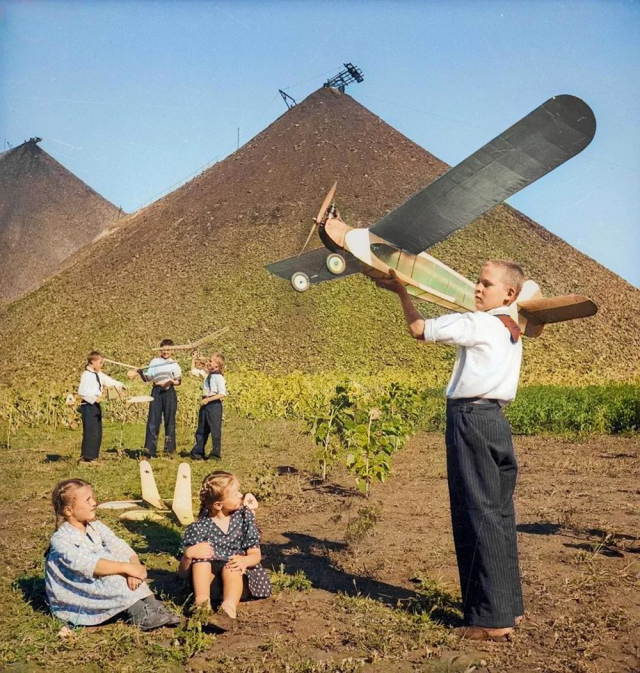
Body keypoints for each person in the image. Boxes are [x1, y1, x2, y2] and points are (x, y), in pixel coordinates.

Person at [372, 260, 525, 641]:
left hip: (471, 420)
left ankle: (490, 619)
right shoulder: (512, 328)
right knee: (499, 514)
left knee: (475, 514)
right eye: (478, 280)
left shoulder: (478, 323)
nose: (477, 288)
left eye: (486, 284)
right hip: (496, 422)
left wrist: (402, 293)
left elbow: (419, 330)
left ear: (508, 294)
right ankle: (508, 608)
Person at [45, 478, 181, 630]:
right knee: (114, 574)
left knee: (118, 561)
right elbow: (87, 565)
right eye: (88, 500)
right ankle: (137, 612)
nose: (94, 503)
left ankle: (151, 603)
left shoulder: (96, 526)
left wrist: (134, 566)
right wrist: (126, 568)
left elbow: (119, 545)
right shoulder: (61, 540)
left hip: (101, 575)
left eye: (93, 498)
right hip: (79, 589)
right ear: (68, 511)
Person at [178, 471, 271, 628]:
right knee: (201, 561)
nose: (241, 495)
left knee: (231, 565)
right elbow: (182, 573)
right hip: (212, 585)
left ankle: (228, 610)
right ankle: (201, 606)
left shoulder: (244, 517)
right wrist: (188, 555)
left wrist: (244, 560)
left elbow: (255, 554)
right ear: (218, 505)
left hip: (240, 581)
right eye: (235, 494)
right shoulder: (199, 528)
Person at [128, 339, 182, 457]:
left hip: (169, 392)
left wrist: (171, 382)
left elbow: (179, 381)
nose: (165, 352)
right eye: (163, 350)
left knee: (170, 421)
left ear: (172, 350)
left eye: (168, 350)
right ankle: (150, 450)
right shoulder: (154, 362)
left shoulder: (174, 363)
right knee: (153, 420)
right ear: (160, 350)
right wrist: (140, 372)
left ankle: (169, 450)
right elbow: (147, 379)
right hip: (156, 391)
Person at [78, 351, 125, 462]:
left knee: (97, 431)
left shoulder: (98, 374)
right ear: (93, 362)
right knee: (91, 431)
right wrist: (95, 398)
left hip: (95, 406)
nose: (101, 365)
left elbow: (109, 381)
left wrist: (121, 386)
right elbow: (82, 391)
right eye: (100, 362)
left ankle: (93, 456)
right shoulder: (86, 375)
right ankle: (87, 458)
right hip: (88, 406)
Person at [189, 352, 226, 461]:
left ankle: (215, 454)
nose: (208, 362)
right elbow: (193, 371)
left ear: (217, 365)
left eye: (211, 361)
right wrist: (194, 359)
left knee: (215, 430)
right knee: (201, 429)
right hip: (205, 403)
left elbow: (222, 394)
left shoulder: (219, 378)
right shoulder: (207, 375)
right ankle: (197, 452)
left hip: (214, 404)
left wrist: (208, 400)